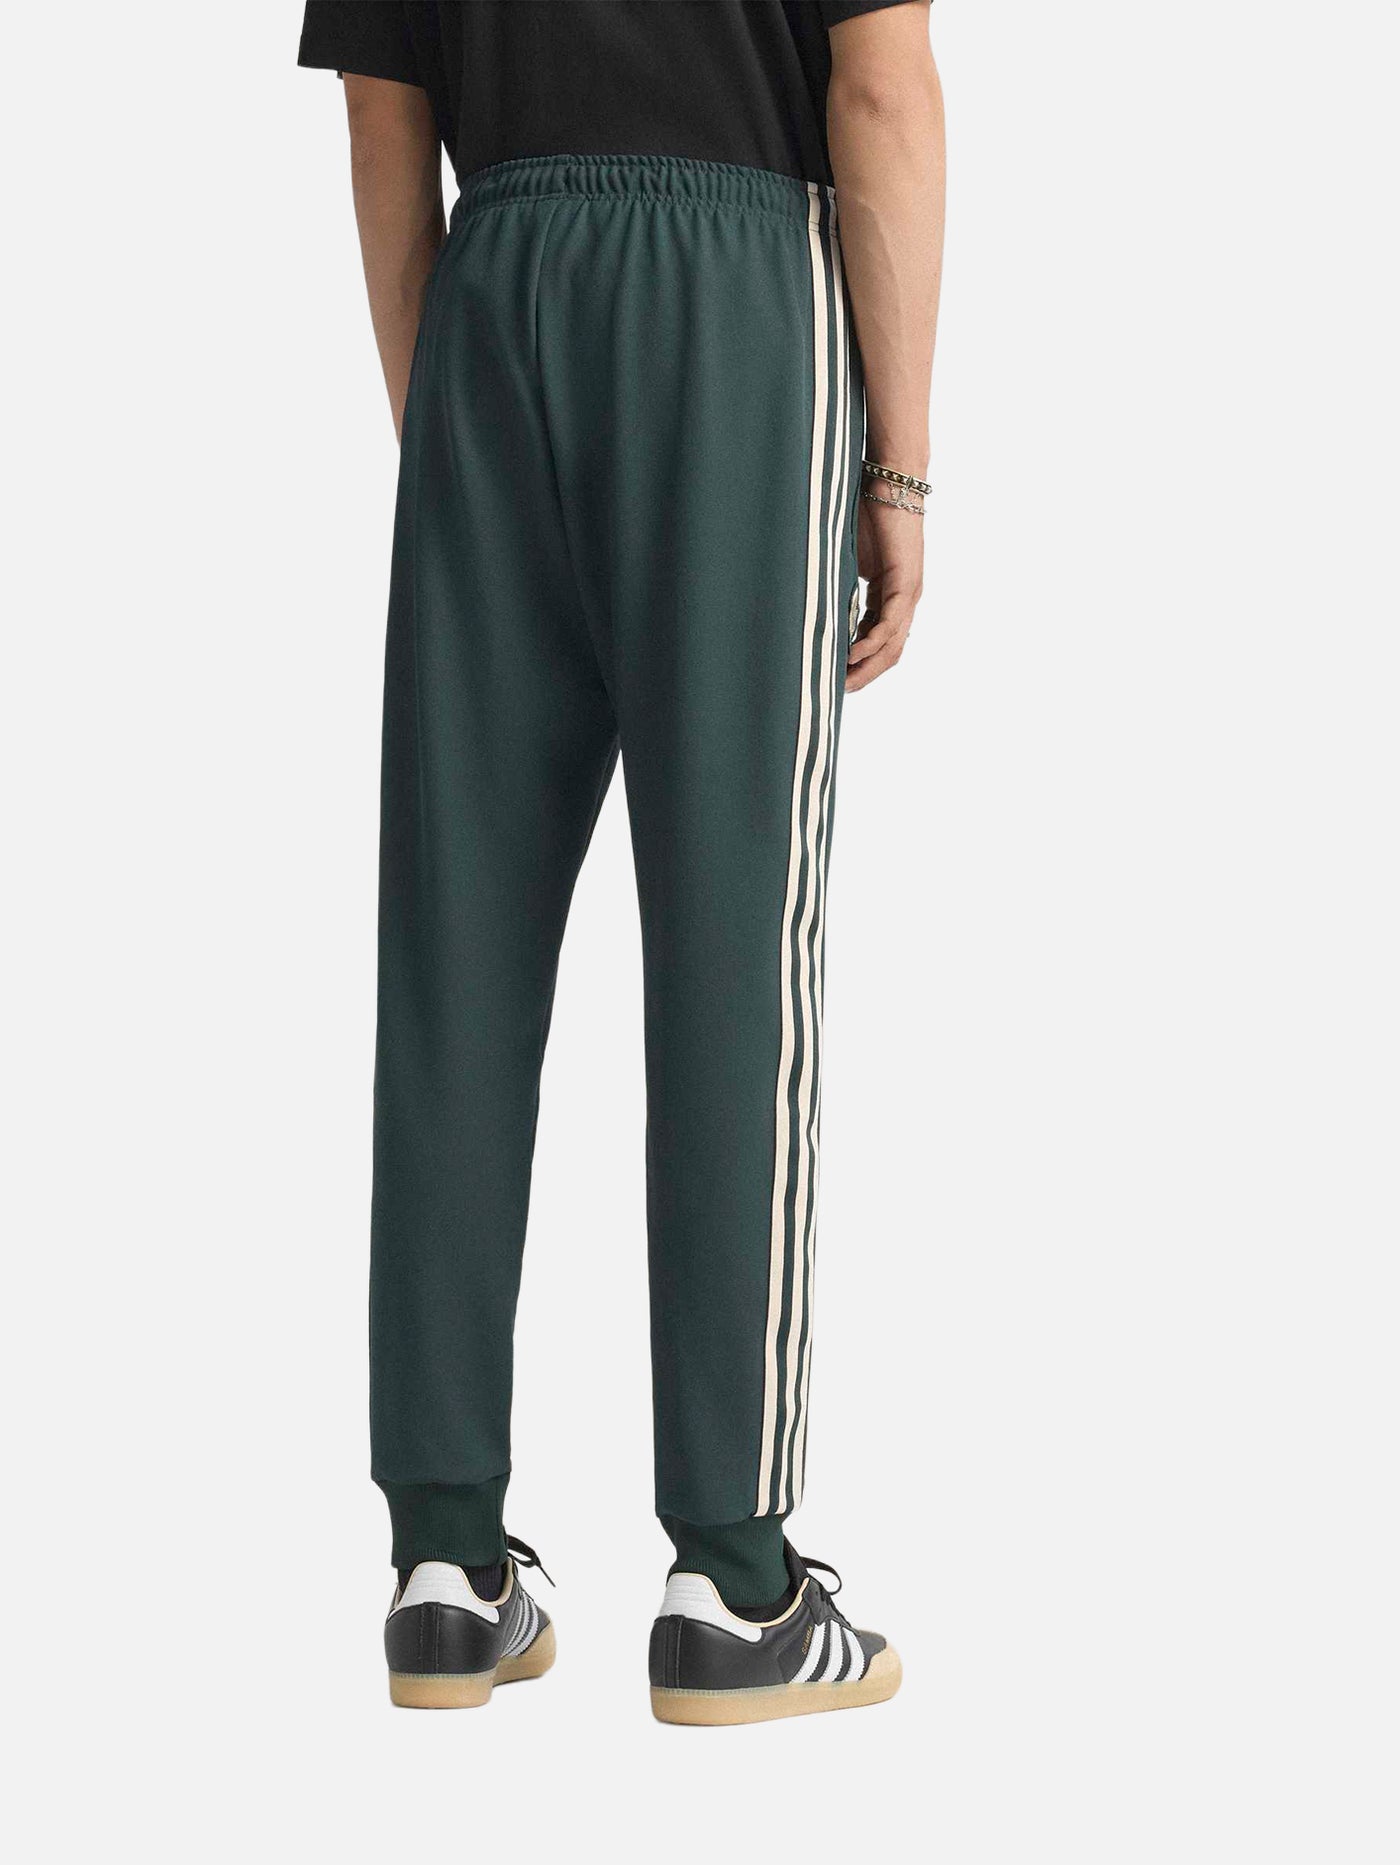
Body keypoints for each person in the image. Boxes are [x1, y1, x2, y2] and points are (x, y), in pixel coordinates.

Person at [299, 0, 944, 1724]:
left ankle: (445, 1565)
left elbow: (382, 113)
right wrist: (898, 468)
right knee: (735, 945)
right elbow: (880, 86)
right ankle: (735, 1579)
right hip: (730, 301)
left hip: (492, 286)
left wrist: (454, 412)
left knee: (455, 948)